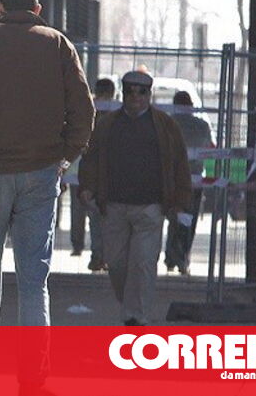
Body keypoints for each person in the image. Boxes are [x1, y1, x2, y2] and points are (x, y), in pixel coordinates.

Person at [0, 0, 93, 396]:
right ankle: (32, 377)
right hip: (40, 172)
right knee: (33, 279)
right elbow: (83, 109)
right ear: (37, 9)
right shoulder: (57, 45)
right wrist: (65, 156)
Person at [79, 71, 193, 326]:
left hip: (150, 208)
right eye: (130, 92)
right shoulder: (107, 125)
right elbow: (91, 158)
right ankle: (132, 304)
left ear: (149, 95)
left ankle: (136, 317)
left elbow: (180, 164)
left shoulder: (165, 126)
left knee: (143, 263)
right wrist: (87, 188)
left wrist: (180, 201)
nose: (136, 98)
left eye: (141, 93)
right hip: (114, 206)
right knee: (116, 264)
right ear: (123, 94)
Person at [68, 78, 118, 272]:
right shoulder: (116, 114)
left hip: (79, 170)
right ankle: (100, 255)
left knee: (82, 212)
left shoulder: (86, 110)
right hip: (105, 173)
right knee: (102, 216)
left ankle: (81, 246)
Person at [163, 91, 213, 275]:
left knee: (174, 217)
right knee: (188, 220)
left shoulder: (167, 124)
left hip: (171, 180)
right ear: (191, 106)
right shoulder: (202, 126)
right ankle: (182, 256)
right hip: (194, 180)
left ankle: (171, 256)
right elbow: (209, 149)